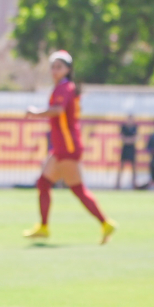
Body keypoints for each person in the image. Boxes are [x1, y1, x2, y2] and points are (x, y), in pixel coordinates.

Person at [23, 50, 117, 244]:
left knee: (77, 189)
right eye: (53, 66)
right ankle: (43, 227)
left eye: (59, 66)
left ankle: (105, 223)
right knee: (43, 183)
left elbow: (57, 111)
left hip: (67, 146)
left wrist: (35, 112)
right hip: (61, 146)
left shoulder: (64, 88)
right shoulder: (62, 87)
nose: (54, 70)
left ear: (67, 69)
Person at [115, 114, 138, 189]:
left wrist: (128, 140)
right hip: (125, 149)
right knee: (121, 166)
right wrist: (129, 140)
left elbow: (136, 138)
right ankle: (118, 184)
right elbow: (122, 138)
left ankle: (134, 184)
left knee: (134, 167)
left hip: (132, 149)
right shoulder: (123, 127)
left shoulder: (135, 127)